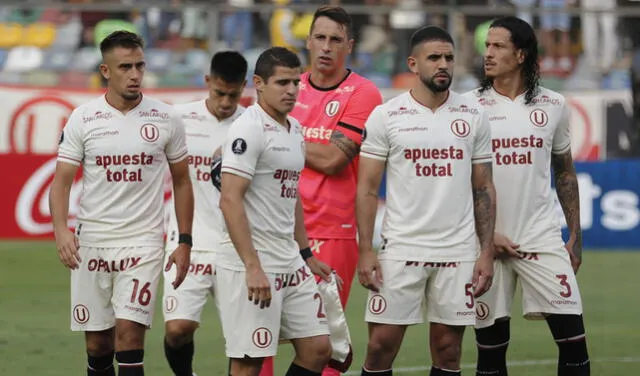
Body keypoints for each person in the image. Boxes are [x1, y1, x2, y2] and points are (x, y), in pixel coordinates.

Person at [49, 30, 194, 376]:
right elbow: (62, 182)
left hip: (143, 243)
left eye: (140, 66)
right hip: (93, 244)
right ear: (105, 70)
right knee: (98, 345)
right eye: (125, 66)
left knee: (129, 337)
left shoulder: (166, 118)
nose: (134, 74)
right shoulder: (83, 118)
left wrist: (185, 240)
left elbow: (183, 180)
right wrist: (61, 231)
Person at [356, 26, 496, 376]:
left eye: (449, 57)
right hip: (401, 248)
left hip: (457, 250)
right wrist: (365, 250)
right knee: (379, 348)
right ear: (413, 63)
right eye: (434, 57)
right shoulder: (387, 116)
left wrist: (486, 251)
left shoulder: (473, 115)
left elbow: (484, 188)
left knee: (449, 352)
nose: (443, 64)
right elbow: (367, 189)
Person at [464, 16, 590, 376]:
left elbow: (564, 172)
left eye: (498, 46)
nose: (487, 53)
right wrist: (485, 237)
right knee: (489, 354)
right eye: (487, 45)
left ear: (520, 54)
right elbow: (460, 182)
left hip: (541, 237)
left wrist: (576, 237)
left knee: (575, 346)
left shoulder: (553, 105)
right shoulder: (468, 107)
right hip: (485, 245)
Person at [217, 46, 333, 376]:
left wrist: (306, 252)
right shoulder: (248, 128)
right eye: (283, 83)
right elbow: (229, 199)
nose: (292, 90)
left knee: (317, 348)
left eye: (296, 82)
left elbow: (290, 193)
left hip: (289, 258)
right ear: (259, 83)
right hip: (254, 260)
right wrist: (252, 266)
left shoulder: (294, 129)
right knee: (249, 362)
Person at [162, 50, 248, 376]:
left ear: (244, 88)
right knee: (177, 329)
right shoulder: (178, 118)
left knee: (240, 340)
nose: (226, 102)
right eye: (219, 93)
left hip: (236, 246)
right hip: (190, 241)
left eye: (234, 94)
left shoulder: (252, 125)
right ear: (207, 82)